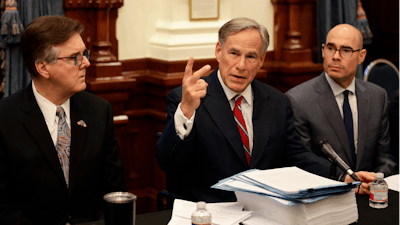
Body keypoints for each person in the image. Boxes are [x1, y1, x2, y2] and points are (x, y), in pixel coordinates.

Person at [156, 18, 375, 203]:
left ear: (261, 60)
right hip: (210, 214)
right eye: (234, 53)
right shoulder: (188, 98)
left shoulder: (277, 101)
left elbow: (296, 156)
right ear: (218, 51)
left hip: (267, 212)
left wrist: (341, 177)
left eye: (251, 56)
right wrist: (185, 111)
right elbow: (168, 164)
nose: (241, 65)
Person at [0, 16, 124, 224]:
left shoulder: (99, 111)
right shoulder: (5, 118)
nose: (86, 63)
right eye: (75, 57)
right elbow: (3, 204)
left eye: (84, 54)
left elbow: (113, 192)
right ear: (43, 68)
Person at [286, 24, 397, 187]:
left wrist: (376, 182)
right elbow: (303, 162)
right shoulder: (298, 100)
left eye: (346, 50)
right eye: (331, 48)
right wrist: (347, 183)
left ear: (361, 56)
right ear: (323, 51)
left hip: (371, 194)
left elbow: (384, 156)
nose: (336, 56)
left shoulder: (377, 96)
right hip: (327, 196)